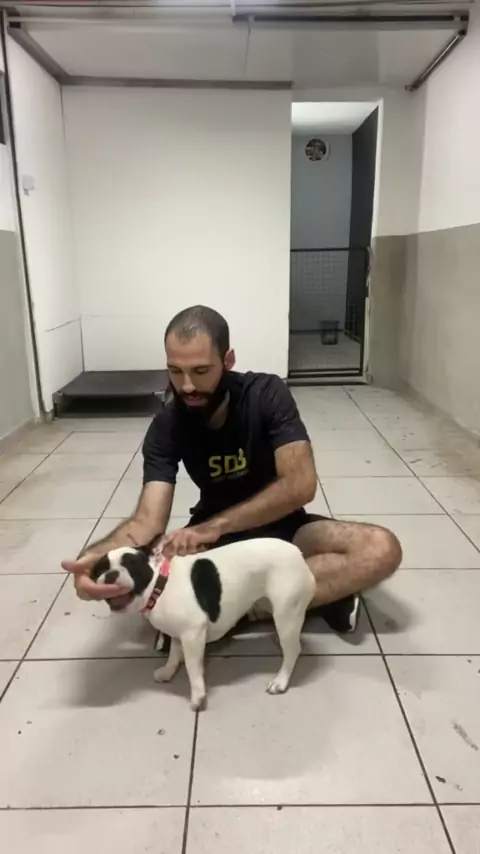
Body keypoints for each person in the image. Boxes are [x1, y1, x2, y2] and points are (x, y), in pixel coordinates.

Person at [63, 305, 402, 633]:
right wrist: (93, 560)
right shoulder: (166, 425)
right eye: (175, 371)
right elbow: (146, 522)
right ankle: (304, 598)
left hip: (284, 528)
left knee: (380, 548)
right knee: (151, 585)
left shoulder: (266, 393)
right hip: (216, 546)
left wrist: (214, 527)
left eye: (200, 371)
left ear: (228, 361)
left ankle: (238, 609)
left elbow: (300, 484)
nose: (186, 386)